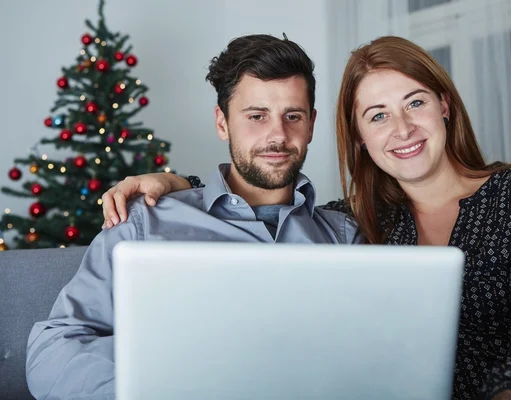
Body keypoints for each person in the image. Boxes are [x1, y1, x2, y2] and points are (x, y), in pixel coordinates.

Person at [100, 36, 511, 400]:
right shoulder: (353, 224)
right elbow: (257, 196)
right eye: (376, 115)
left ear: (443, 105)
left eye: (414, 102)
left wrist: (508, 392)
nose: (401, 129)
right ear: (359, 137)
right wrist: (178, 183)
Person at [25, 34, 361, 400]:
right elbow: (53, 352)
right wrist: (170, 381)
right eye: (256, 116)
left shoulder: (343, 236)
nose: (277, 135)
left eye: (292, 116)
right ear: (222, 123)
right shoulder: (144, 223)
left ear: (310, 124)